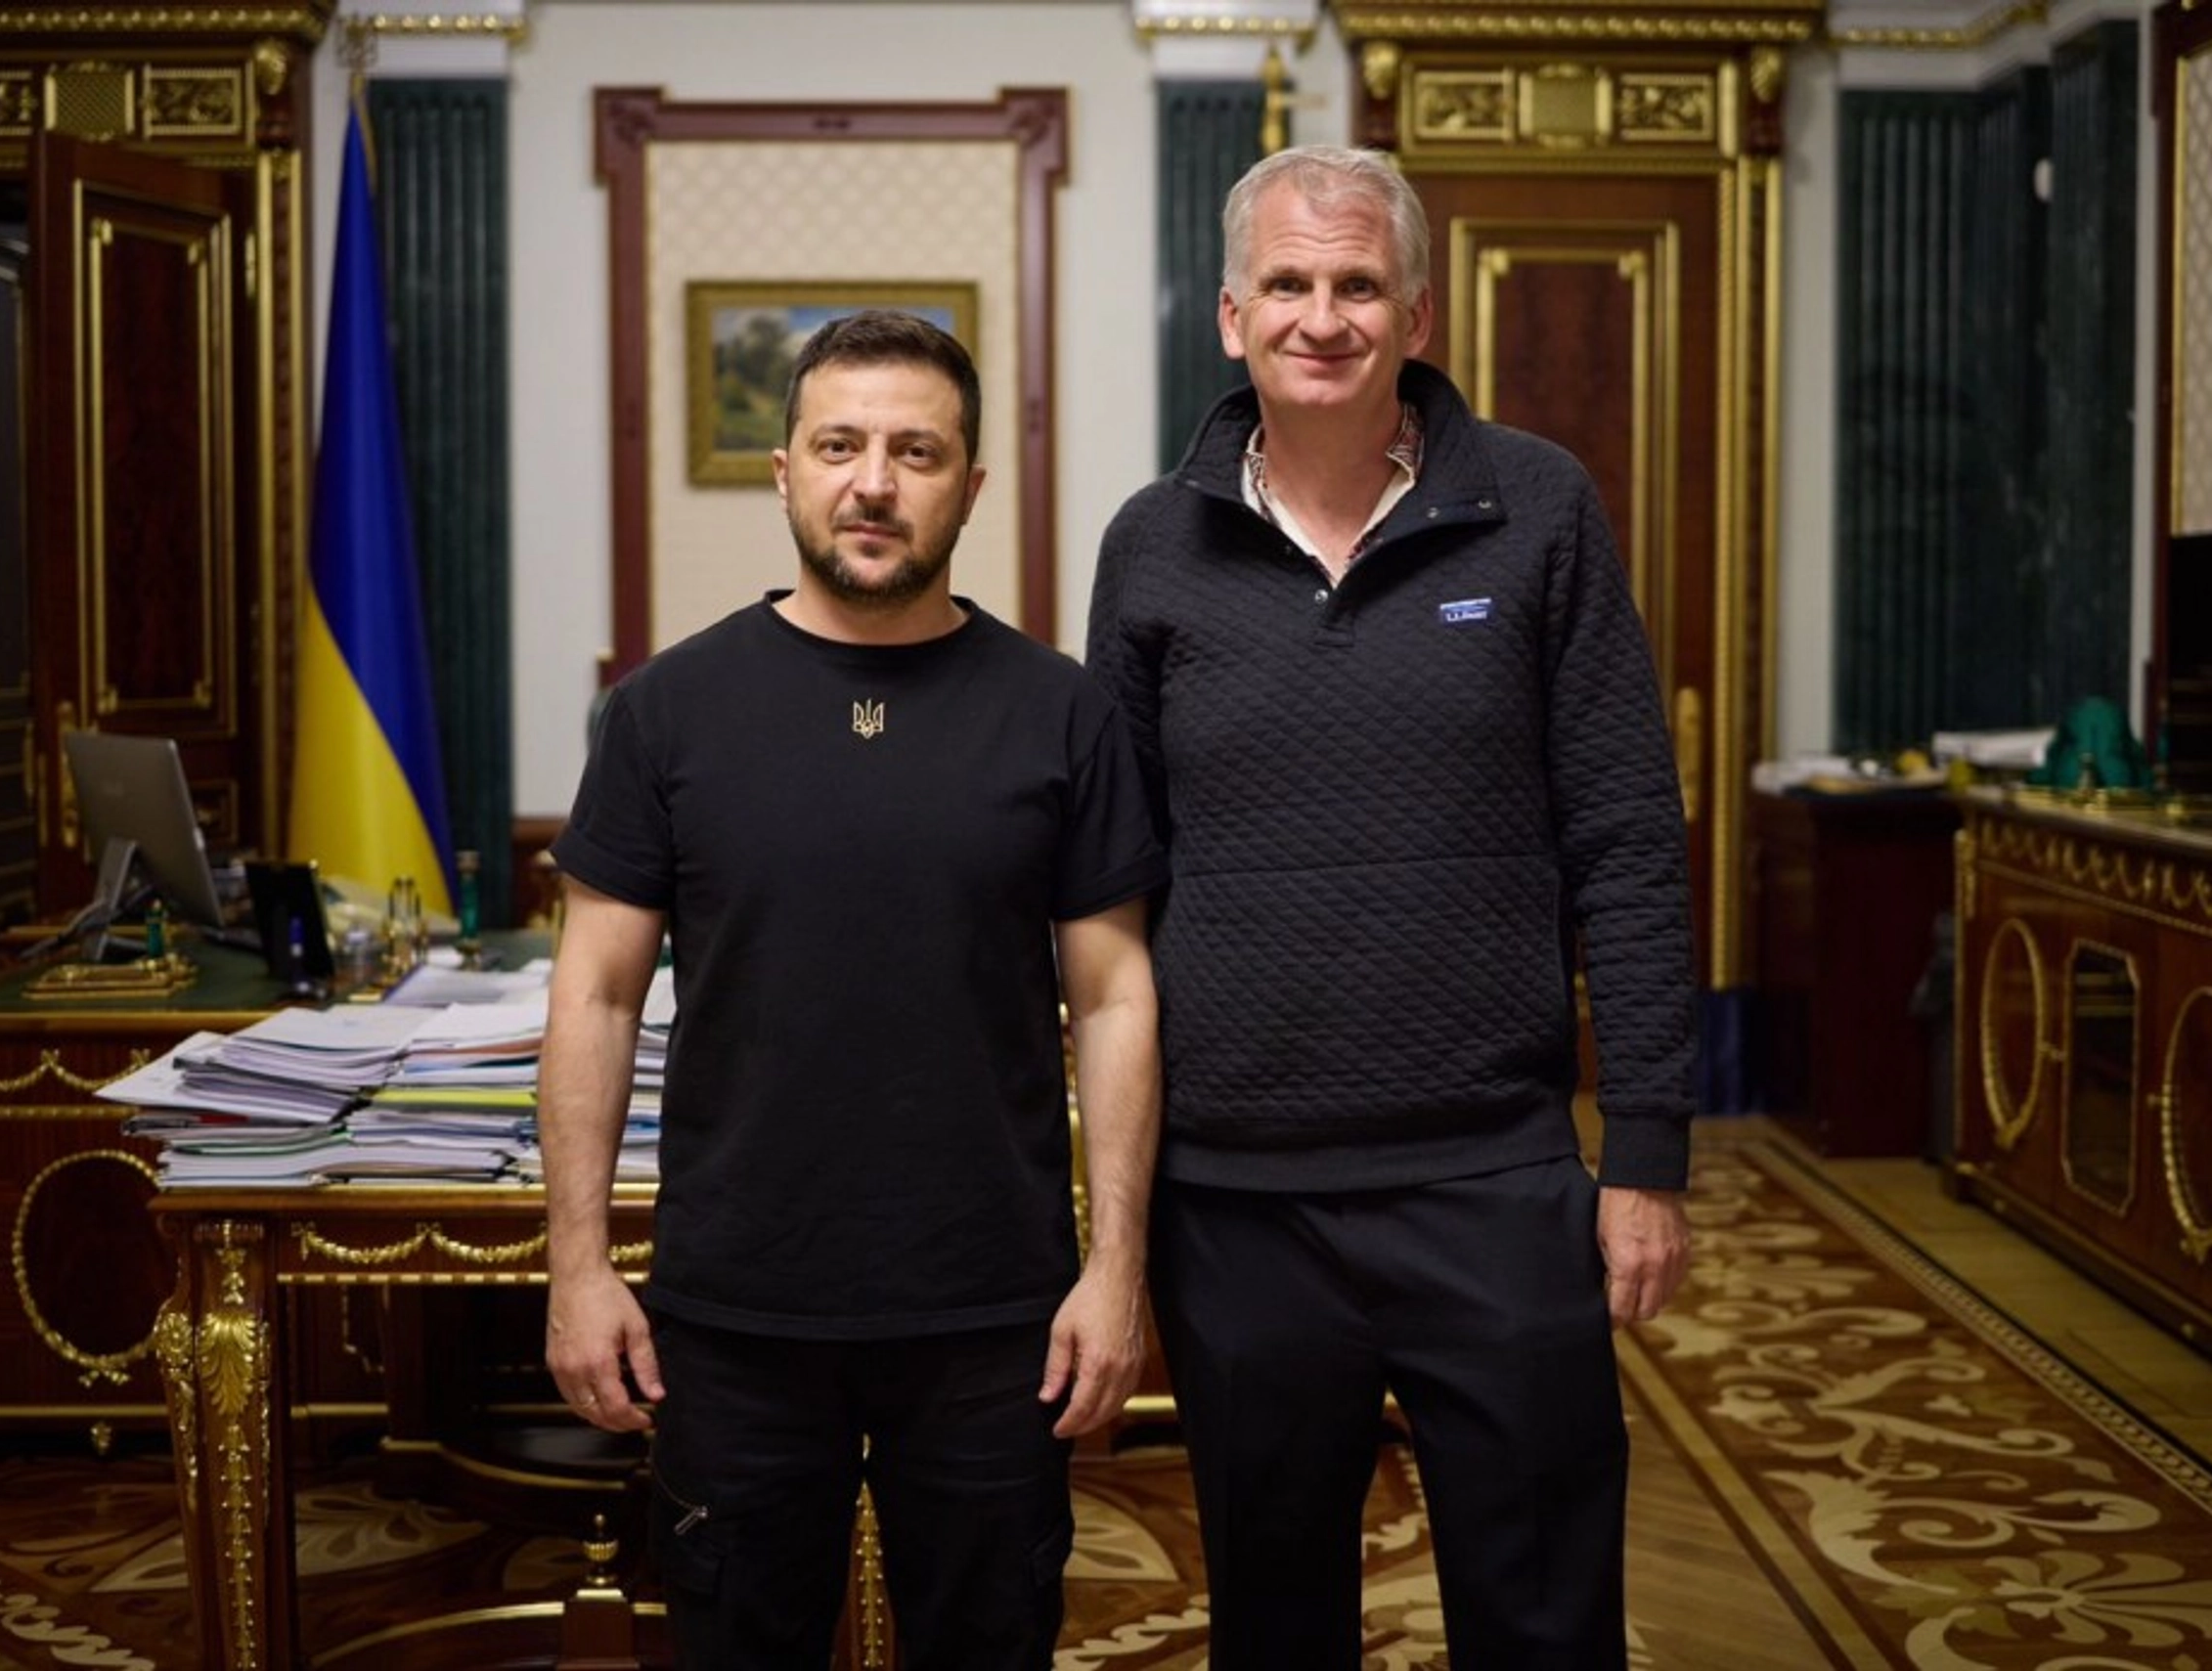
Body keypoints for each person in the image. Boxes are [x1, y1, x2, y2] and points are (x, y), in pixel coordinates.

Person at [1085, 146, 1697, 1669]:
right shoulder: (1149, 548)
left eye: (1358, 284)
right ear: (1232, 317)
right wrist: (1112, 1213)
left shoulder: (1541, 507)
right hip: (1236, 1201)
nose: (1323, 316)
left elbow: (1626, 835)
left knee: (1547, 1616)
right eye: (1288, 284)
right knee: (1275, 1622)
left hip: (1493, 1178)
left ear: (1416, 314)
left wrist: (1649, 1155)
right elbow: (1108, 897)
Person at [542, 309, 1166, 1668]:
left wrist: (1116, 1271)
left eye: (915, 450)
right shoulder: (666, 713)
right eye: (840, 444)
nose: (873, 481)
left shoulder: (1059, 713)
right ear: (786, 471)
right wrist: (578, 1267)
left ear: (971, 487)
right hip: (735, 1313)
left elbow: (1116, 1003)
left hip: (995, 1316)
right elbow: (591, 1000)